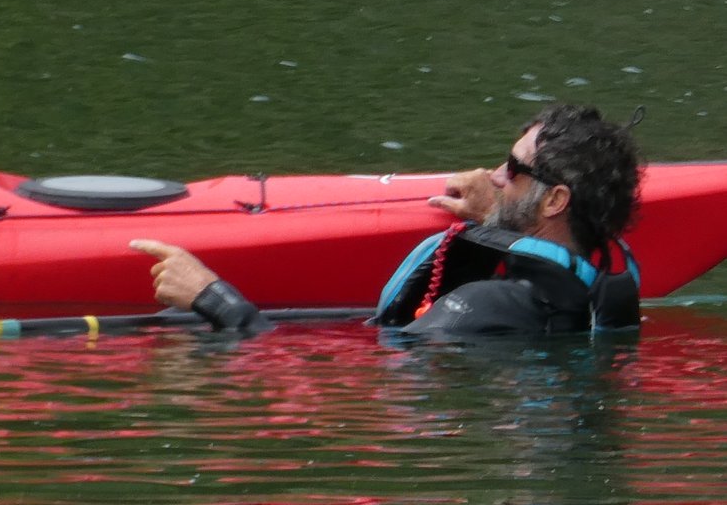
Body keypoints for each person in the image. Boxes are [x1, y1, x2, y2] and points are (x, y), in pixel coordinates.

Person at [131, 103, 645, 336]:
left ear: (554, 201)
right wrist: (501, 215)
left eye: (512, 169)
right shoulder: (601, 296)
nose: (493, 175)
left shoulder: (487, 303)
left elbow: (379, 381)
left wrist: (214, 299)